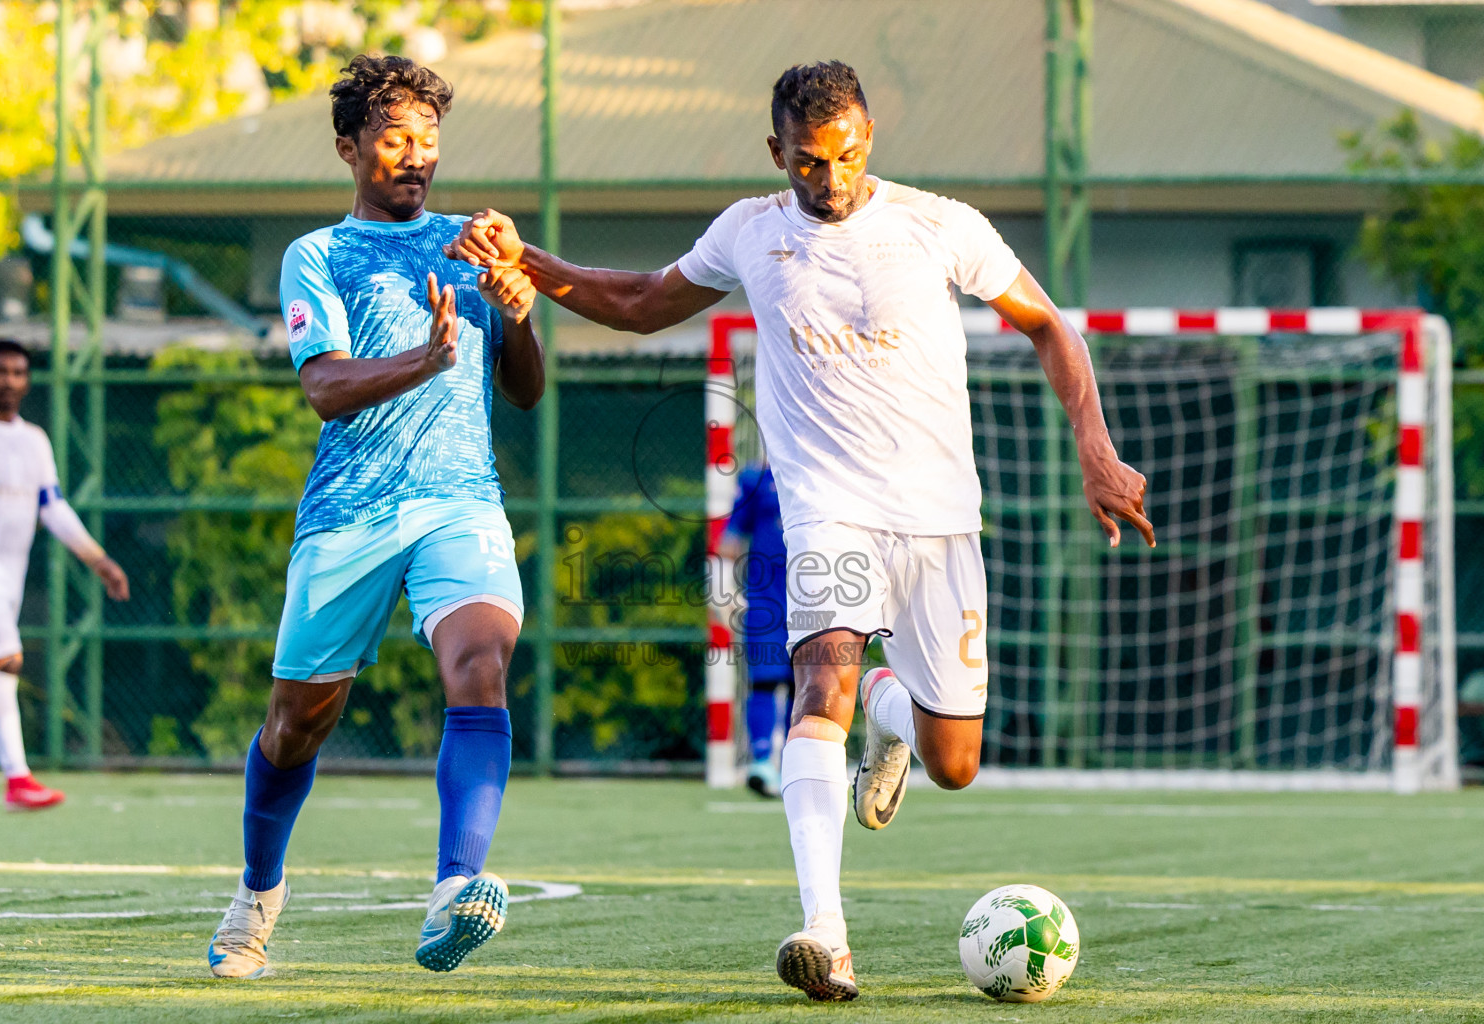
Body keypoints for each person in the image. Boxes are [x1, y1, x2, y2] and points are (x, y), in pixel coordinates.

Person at [448, 60, 1154, 1001]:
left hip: (942, 522)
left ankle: (889, 714)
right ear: (776, 151)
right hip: (827, 509)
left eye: (849, 156)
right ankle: (826, 933)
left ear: (870, 138)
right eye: (810, 163)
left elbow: (1050, 327)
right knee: (821, 676)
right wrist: (527, 261)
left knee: (956, 763)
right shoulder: (750, 231)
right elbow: (640, 302)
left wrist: (1096, 451)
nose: (831, 181)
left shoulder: (940, 225)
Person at [206, 55, 544, 980]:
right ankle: (257, 892)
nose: (416, 156)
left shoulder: (472, 248)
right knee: (295, 725)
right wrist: (428, 359)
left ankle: (454, 890)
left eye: (428, 140)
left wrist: (516, 316)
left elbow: (524, 391)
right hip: (349, 515)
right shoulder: (314, 255)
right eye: (395, 139)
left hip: (461, 502)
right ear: (350, 147)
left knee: (482, 666)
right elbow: (323, 389)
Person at [0, 338, 130, 814]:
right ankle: (18, 778)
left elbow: (53, 508)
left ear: (27, 382)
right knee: (5, 659)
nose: (9, 381)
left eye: (18, 372)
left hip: (7, 576)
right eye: (0, 372)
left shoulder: (35, 441)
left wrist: (99, 560)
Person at [717, 461, 793, 797]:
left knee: (808, 687)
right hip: (765, 601)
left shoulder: (824, 468)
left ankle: (797, 765)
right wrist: (723, 591)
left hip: (818, 600)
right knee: (763, 680)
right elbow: (730, 540)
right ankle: (762, 763)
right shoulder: (756, 479)